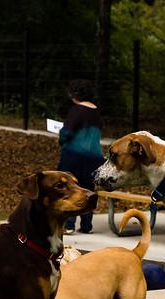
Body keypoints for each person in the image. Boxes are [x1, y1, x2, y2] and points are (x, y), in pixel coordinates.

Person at [57, 79, 104, 234]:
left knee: (71, 188)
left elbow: (67, 133)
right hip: (94, 157)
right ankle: (86, 225)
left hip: (74, 156)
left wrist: (61, 137)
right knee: (88, 189)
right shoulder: (97, 112)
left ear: (74, 94)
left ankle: (69, 224)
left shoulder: (76, 111)